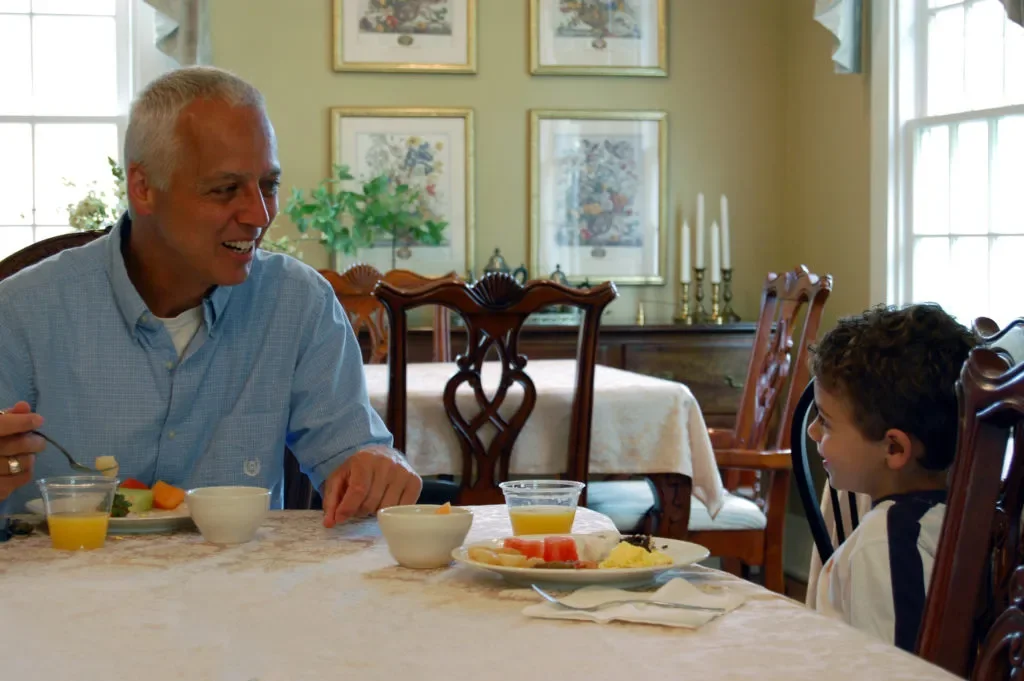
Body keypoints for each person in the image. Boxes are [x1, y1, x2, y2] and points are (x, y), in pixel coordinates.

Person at [0, 66, 421, 526]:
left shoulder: (299, 303)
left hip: (241, 590)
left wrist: (379, 467)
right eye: (225, 190)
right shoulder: (22, 313)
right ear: (143, 188)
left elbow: (351, 451)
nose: (259, 215)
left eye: (268, 186)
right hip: (60, 587)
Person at [806, 303, 975, 651]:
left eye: (826, 421)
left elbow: (894, 669)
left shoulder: (884, 542)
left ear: (895, 449)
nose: (812, 431)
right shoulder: (957, 515)